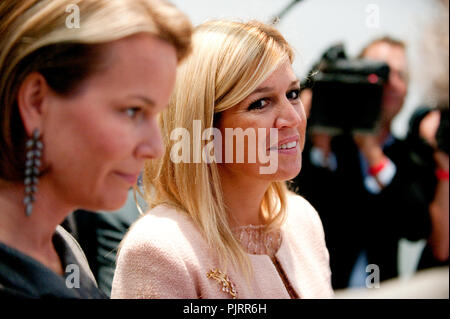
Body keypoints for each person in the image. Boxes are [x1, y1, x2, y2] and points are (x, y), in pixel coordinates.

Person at [111, 20, 333, 299]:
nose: (293, 118)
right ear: (204, 131)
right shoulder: (161, 249)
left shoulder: (301, 219)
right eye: (260, 103)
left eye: (292, 94)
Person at [0, 0, 192, 298]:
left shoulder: (62, 250)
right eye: (132, 111)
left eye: (157, 116)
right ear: (37, 101)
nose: (155, 147)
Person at [291, 37, 432, 289]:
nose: (389, 83)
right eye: (379, 71)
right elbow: (297, 207)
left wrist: (372, 152)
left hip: (385, 290)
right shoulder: (326, 145)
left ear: (407, 91)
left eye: (399, 75)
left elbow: (417, 227)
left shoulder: (407, 153)